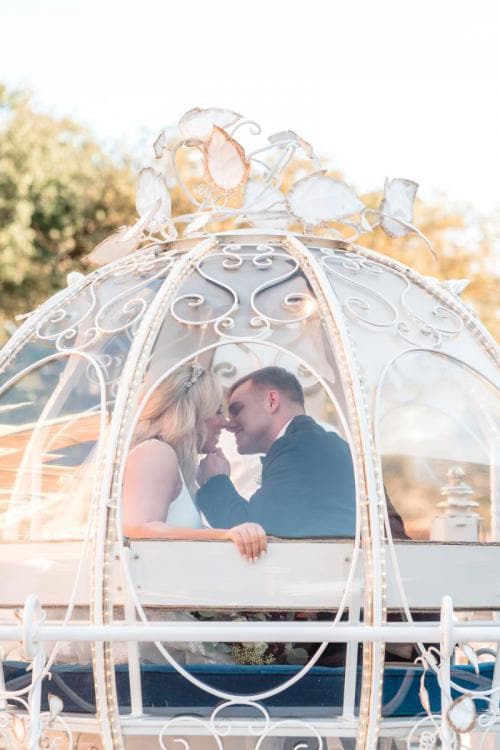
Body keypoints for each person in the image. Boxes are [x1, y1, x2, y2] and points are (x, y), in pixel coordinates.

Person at [196, 366, 408, 539]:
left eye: (236, 410)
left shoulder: (297, 448)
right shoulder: (333, 446)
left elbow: (254, 532)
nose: (229, 424)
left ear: (271, 401)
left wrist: (215, 481)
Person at [122, 363, 267, 561]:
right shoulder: (156, 452)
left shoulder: (171, 460)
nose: (225, 423)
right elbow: (139, 531)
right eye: (218, 411)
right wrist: (225, 536)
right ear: (193, 413)